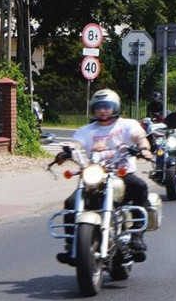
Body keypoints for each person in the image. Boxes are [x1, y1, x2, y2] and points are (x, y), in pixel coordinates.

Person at [56, 89, 153, 262]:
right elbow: (76, 143)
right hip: (96, 175)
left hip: (122, 173)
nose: (102, 110)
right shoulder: (86, 130)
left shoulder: (127, 124)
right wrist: (67, 151)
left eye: (106, 106)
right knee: (71, 202)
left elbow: (139, 136)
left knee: (140, 186)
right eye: (98, 107)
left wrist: (144, 148)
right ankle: (72, 245)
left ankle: (137, 236)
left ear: (115, 107)